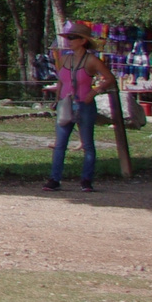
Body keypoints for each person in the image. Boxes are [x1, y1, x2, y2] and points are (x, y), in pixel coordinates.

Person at [45, 20, 116, 193]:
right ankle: (54, 179)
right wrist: (57, 100)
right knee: (60, 144)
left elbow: (109, 78)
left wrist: (95, 91)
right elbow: (61, 81)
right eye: (68, 37)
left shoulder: (91, 60)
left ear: (83, 40)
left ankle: (86, 180)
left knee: (87, 144)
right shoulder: (64, 59)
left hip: (84, 105)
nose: (69, 40)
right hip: (66, 105)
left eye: (72, 37)